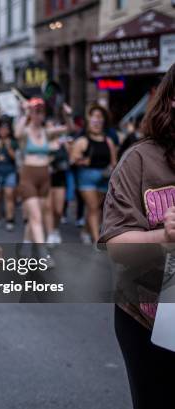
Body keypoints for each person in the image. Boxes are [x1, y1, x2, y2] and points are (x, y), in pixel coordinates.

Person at [99, 63, 175, 409]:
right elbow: (116, 246)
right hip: (147, 317)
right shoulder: (140, 160)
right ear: (171, 100)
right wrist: (166, 237)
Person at [15, 97, 73, 246]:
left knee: (37, 215)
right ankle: (43, 255)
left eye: (41, 112)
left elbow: (69, 128)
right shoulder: (26, 132)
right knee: (35, 216)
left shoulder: (47, 132)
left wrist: (67, 115)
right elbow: (17, 133)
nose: (38, 115)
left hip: (45, 176)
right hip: (28, 176)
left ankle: (26, 243)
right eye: (35, 112)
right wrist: (25, 112)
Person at [70, 104, 117, 243]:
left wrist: (112, 169)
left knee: (97, 209)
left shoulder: (108, 141)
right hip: (86, 178)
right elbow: (72, 160)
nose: (97, 121)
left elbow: (114, 162)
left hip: (104, 178)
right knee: (92, 207)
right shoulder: (82, 140)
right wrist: (84, 161)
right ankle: (97, 239)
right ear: (89, 120)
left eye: (100, 117)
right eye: (94, 117)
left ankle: (85, 231)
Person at [0, 115, 17, 231]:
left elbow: (15, 158)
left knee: (9, 195)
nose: (3, 131)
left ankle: (10, 219)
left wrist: (8, 148)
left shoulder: (12, 142)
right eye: (1, 129)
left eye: (6, 129)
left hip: (10, 171)